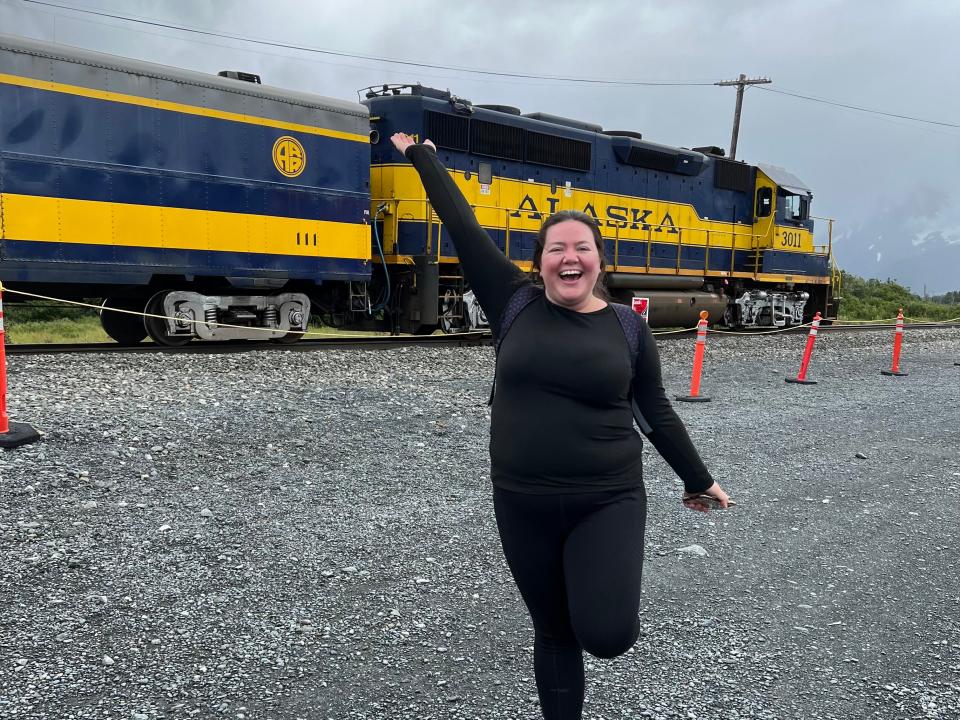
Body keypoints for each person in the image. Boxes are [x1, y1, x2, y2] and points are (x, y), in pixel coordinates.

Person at [391, 133, 730, 720]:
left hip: (607, 499)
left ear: (599, 260)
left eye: (581, 248)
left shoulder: (627, 328)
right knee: (552, 633)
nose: (569, 257)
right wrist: (422, 155)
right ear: (539, 260)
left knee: (606, 634)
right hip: (522, 501)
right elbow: (462, 222)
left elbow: (654, 412)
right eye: (556, 249)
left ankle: (606, 596)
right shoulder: (513, 303)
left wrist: (696, 479)